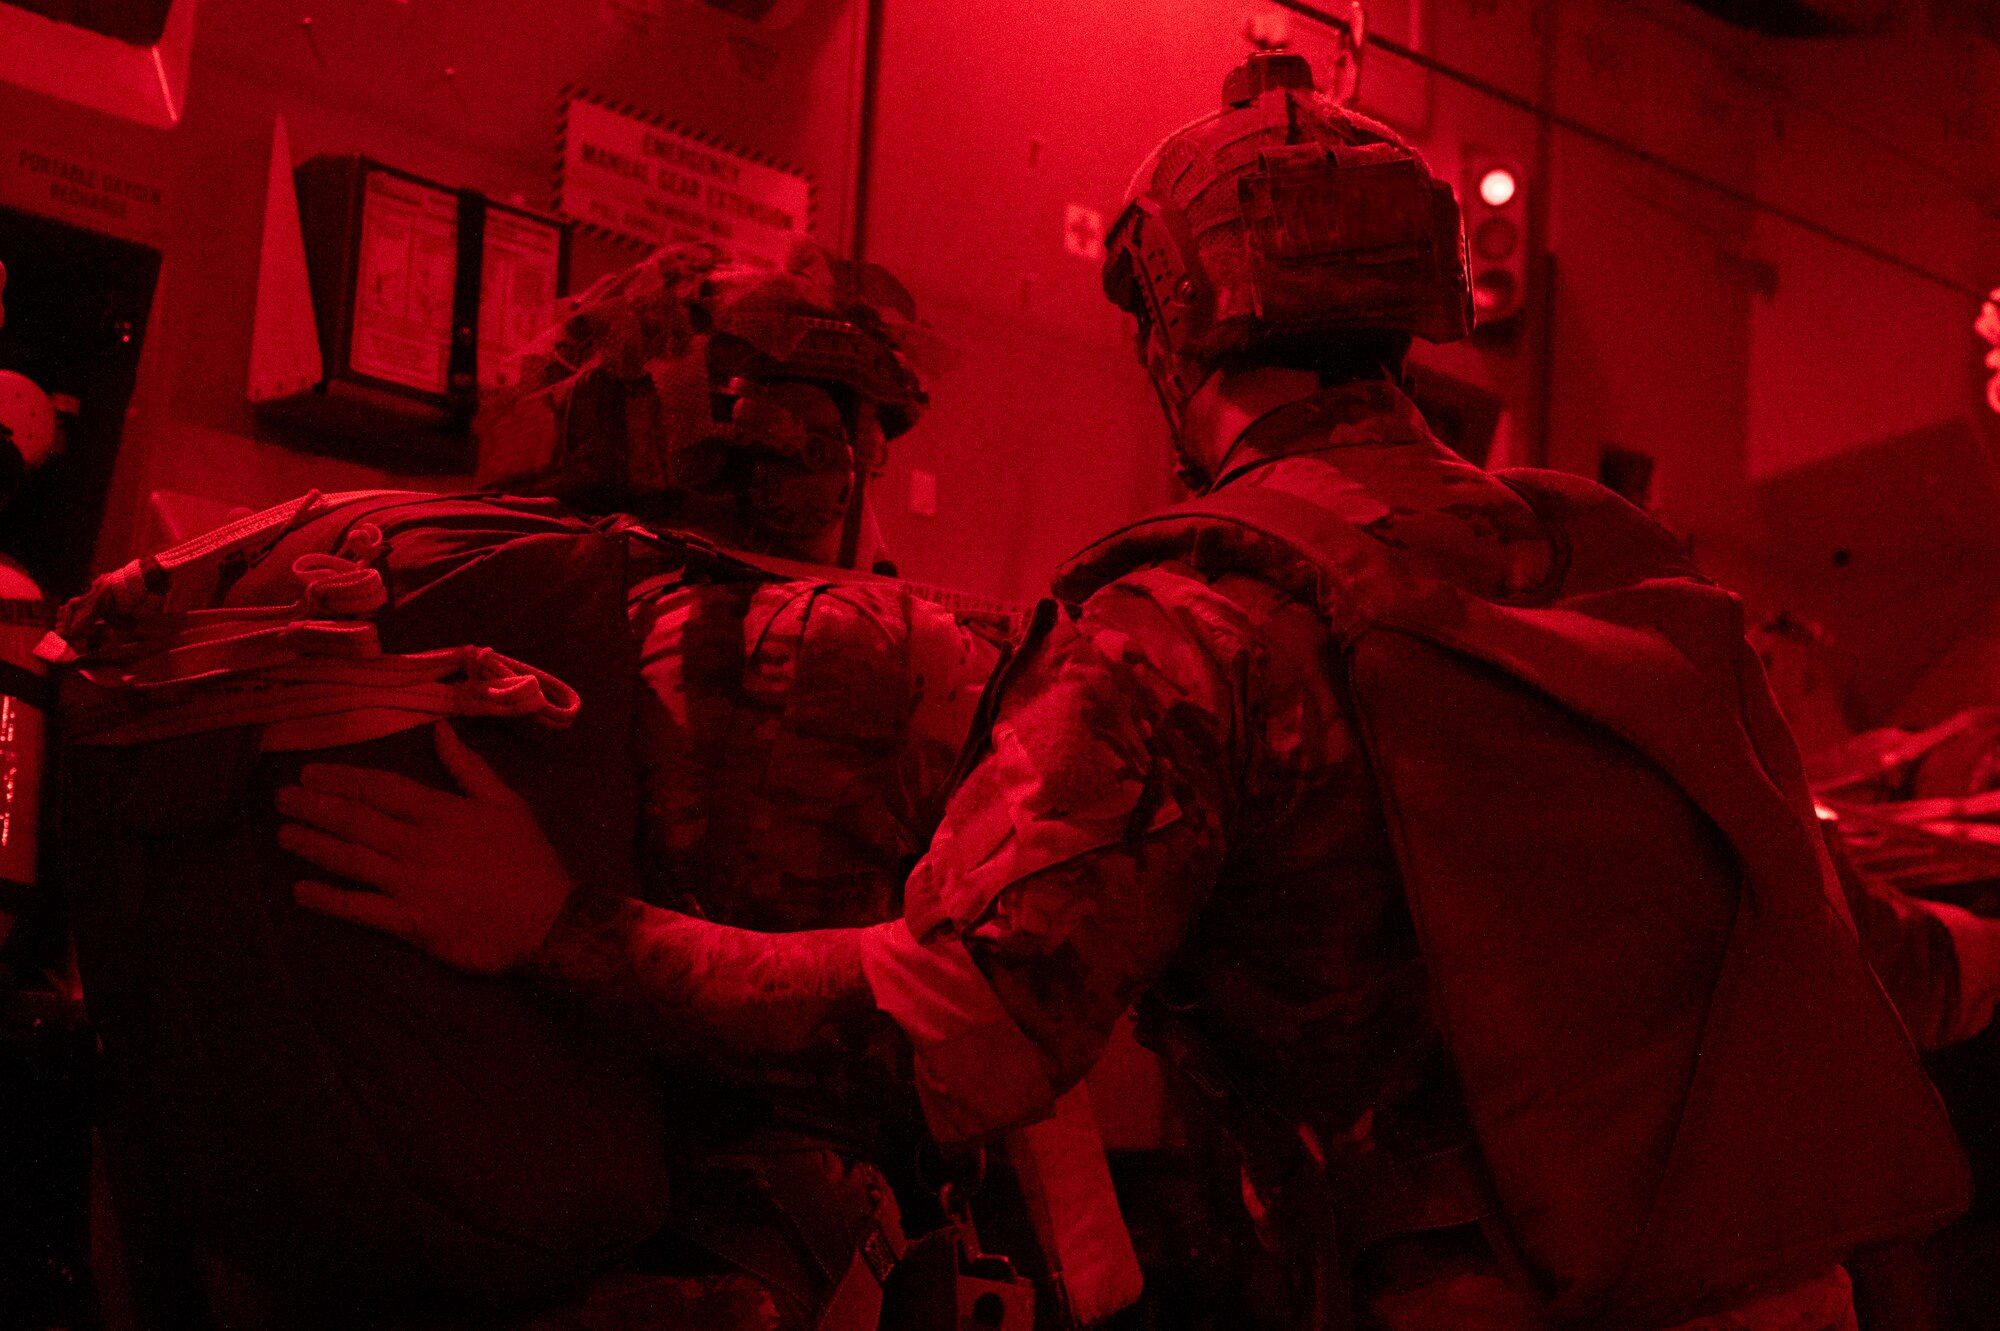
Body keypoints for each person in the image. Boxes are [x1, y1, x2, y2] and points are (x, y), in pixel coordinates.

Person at [278, 54, 1998, 1330]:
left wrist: (553, 925)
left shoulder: (1191, 618)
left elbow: (947, 1043)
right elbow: (1872, 961)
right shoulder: (1616, 568)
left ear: (1171, 317)